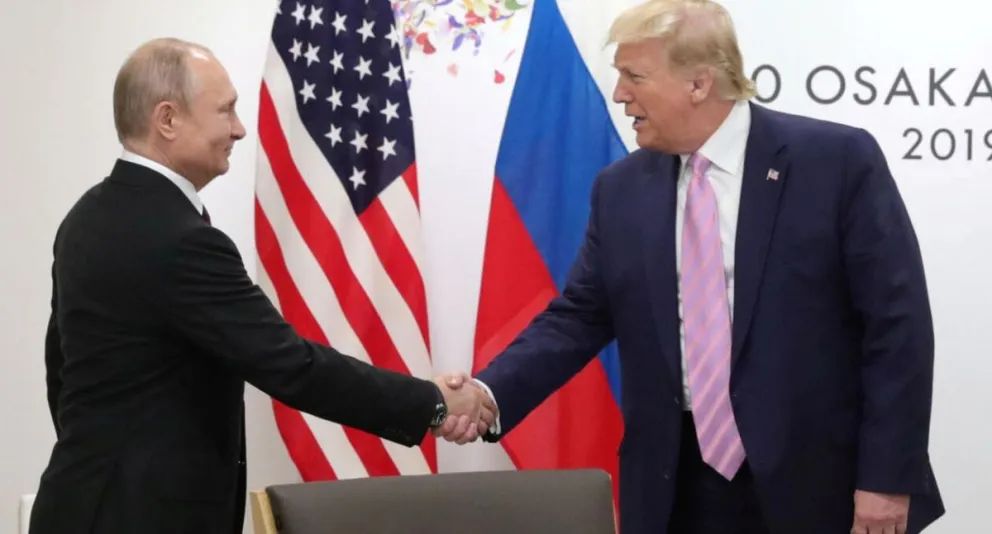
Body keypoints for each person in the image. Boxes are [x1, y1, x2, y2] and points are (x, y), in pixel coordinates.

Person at [436, 1, 945, 533]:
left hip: (817, 485)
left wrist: (887, 478)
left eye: (635, 76)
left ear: (700, 84)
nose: (619, 95)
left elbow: (897, 329)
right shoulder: (620, 189)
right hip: (674, 488)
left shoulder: (836, 162)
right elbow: (580, 316)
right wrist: (488, 394)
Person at [30, 37, 493, 534]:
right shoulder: (181, 241)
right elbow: (292, 365)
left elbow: (62, 367)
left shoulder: (85, 217)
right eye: (225, 111)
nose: (240, 129)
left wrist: (104, 458)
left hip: (76, 504)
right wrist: (433, 403)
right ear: (167, 120)